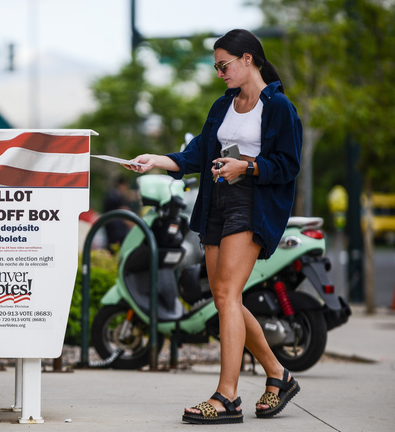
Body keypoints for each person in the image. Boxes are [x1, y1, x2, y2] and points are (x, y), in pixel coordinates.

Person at [124, 29, 302, 425]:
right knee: (227, 299)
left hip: (251, 203)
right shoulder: (223, 105)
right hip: (216, 203)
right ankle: (278, 375)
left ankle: (228, 396)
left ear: (248, 60)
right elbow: (195, 157)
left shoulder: (278, 108)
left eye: (224, 65)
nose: (220, 73)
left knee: (225, 292)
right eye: (217, 67)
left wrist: (248, 166)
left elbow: (289, 165)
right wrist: (155, 160)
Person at [102, 176, 134, 251]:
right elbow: (125, 214)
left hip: (110, 227)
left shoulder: (111, 194)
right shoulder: (117, 196)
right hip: (117, 231)